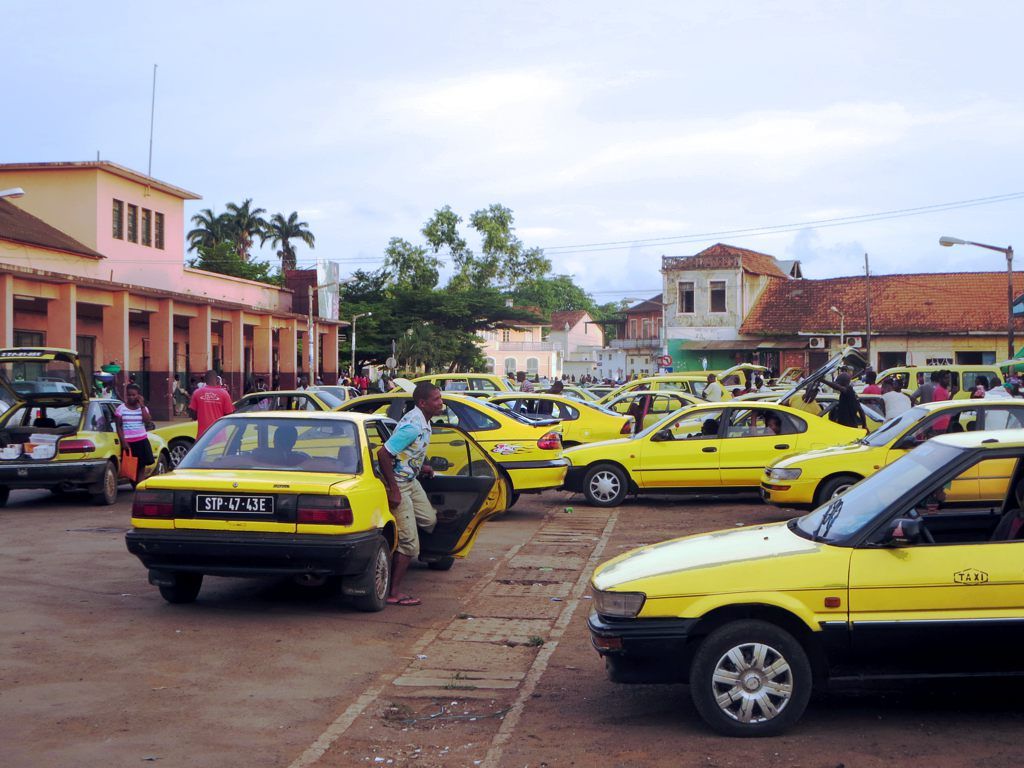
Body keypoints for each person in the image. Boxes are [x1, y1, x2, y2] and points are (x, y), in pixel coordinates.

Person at [377, 382, 444, 607]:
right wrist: (394, 491)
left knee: (430, 519)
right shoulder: (413, 426)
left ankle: (403, 540)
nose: (440, 402)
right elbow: (383, 454)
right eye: (436, 399)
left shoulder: (424, 422)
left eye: (440, 398)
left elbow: (408, 453)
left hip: (410, 479)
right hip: (399, 484)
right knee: (409, 545)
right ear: (423, 403)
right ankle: (393, 592)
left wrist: (421, 467)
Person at [114, 383, 155, 485]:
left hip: (141, 441)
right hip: (129, 443)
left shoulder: (143, 408)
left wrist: (142, 405)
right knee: (131, 470)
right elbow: (118, 426)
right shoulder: (121, 409)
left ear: (138, 396)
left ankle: (139, 489)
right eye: (129, 395)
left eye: (133, 395)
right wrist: (123, 442)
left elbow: (147, 421)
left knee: (141, 467)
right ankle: (135, 487)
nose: (131, 397)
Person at [188, 370, 235, 438]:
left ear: (205, 380)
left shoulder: (197, 393)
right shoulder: (224, 394)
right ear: (217, 380)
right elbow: (229, 415)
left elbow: (193, 415)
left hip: (203, 438)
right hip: (220, 436)